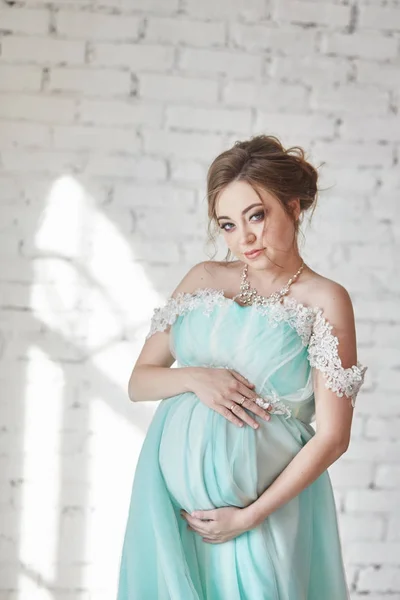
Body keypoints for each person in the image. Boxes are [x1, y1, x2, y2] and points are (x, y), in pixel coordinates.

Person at [116, 134, 367, 600]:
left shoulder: (325, 300)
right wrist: (196, 378)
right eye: (228, 224)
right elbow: (139, 381)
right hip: (172, 510)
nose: (243, 238)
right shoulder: (205, 278)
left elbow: (334, 436)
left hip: (261, 514)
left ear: (293, 206)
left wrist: (249, 516)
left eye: (256, 215)